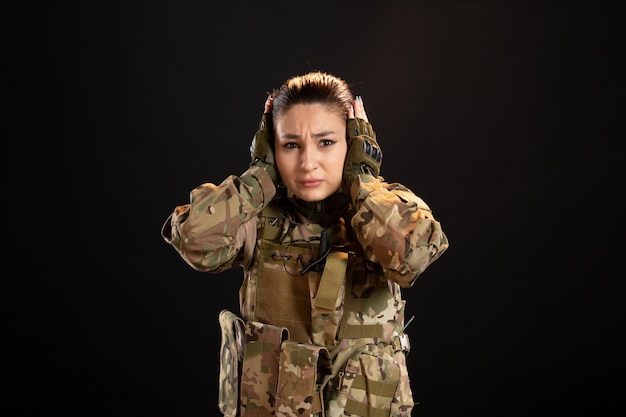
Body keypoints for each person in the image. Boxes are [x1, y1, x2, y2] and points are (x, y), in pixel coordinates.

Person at [161, 71, 449, 417]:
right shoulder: (252, 216)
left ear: (354, 145)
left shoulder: (384, 211)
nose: (307, 162)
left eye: (326, 142)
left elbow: (413, 255)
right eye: (290, 145)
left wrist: (364, 180)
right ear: (270, 148)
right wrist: (259, 178)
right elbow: (193, 239)